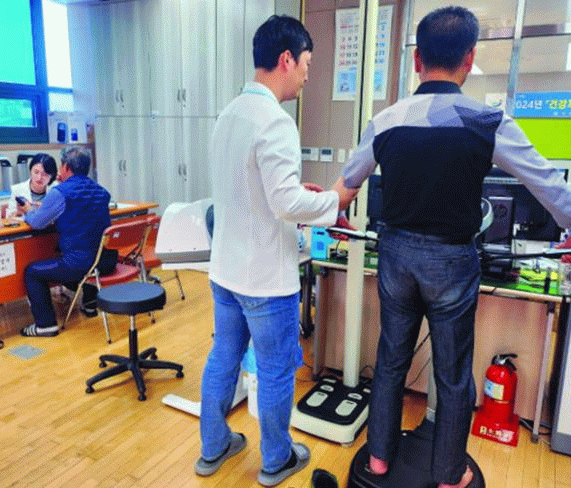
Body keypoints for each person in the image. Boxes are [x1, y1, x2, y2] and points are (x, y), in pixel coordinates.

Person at [331, 6, 571, 488]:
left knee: (389, 363)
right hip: (451, 262)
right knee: (452, 376)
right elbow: (543, 179)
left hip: (395, 257)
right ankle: (450, 475)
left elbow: (345, 186)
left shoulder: (385, 120)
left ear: (417, 60)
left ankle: (379, 461)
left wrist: (334, 213)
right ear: (469, 59)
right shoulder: (486, 120)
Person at [194, 15, 353, 487]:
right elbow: (284, 204)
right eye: (306, 64)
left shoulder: (229, 115)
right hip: (265, 278)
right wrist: (335, 200)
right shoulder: (276, 122)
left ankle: (213, 446)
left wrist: (296, 195)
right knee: (277, 369)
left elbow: (251, 189)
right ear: (286, 59)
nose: (306, 75)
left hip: (226, 271)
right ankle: (277, 459)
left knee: (223, 358)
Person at [19, 146, 116, 337]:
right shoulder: (101, 191)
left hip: (79, 264)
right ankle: (90, 304)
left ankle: (45, 325)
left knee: (32, 272)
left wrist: (28, 210)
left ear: (66, 167)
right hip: (105, 261)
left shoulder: (60, 192)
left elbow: (37, 222)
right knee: (86, 249)